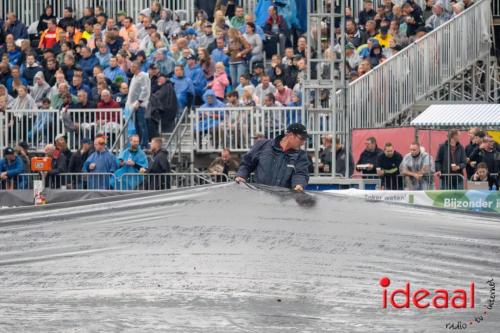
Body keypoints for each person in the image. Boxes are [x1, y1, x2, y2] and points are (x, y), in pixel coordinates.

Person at [235, 123, 310, 191]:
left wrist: (299, 184)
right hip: (259, 197)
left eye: (305, 139)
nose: (303, 142)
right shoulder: (262, 145)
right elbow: (247, 163)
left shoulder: (301, 155)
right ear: (290, 135)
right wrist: (241, 175)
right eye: (301, 138)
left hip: (283, 201)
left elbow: (301, 173)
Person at [126, 61, 151, 148]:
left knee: (142, 124)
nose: (131, 68)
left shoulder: (143, 75)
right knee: (137, 125)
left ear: (137, 67)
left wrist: (139, 101)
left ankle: (144, 143)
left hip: (140, 105)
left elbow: (145, 90)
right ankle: (138, 143)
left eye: (133, 66)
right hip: (133, 105)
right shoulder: (134, 77)